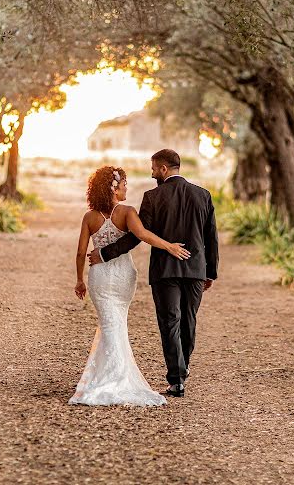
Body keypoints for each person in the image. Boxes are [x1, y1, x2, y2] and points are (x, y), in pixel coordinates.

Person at [90, 149, 219, 398]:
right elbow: (210, 237)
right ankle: (183, 367)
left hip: (165, 271)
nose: (151, 174)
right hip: (195, 270)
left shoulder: (153, 197)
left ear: (163, 169)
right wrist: (209, 271)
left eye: (153, 169)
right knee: (188, 319)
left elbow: (138, 236)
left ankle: (176, 380)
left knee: (170, 321)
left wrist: (105, 253)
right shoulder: (203, 195)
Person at [70, 165, 190, 406]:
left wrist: (80, 280)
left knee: (111, 323)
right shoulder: (127, 212)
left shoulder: (89, 217)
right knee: (115, 323)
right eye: (124, 185)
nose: (127, 188)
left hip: (100, 277)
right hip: (123, 275)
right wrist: (170, 246)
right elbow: (143, 235)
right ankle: (116, 376)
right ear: (114, 189)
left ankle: (108, 375)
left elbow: (82, 251)